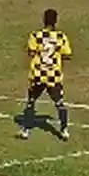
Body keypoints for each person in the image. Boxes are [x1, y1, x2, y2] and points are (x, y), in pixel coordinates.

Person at [18, 8, 72, 141]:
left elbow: (31, 52)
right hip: (53, 75)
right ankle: (64, 130)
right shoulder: (60, 37)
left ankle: (26, 130)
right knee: (59, 103)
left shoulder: (36, 35)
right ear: (56, 21)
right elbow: (67, 54)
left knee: (31, 102)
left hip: (38, 74)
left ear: (44, 20)